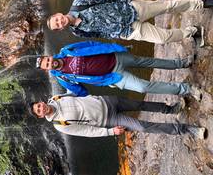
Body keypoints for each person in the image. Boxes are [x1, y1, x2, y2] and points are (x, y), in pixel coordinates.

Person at [36, 41, 202, 99]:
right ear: (47, 70)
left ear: (49, 56)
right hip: (113, 77)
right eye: (47, 65)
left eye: (48, 60)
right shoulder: (63, 78)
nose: (51, 63)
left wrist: (114, 47)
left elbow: (91, 44)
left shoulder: (67, 50)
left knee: (146, 62)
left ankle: (180, 63)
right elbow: (81, 91)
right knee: (143, 87)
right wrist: (72, 97)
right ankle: (185, 89)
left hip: (115, 57)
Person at [46, 0, 211, 46]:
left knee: (168, 6)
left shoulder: (78, 3)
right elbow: (99, 34)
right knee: (163, 39)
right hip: (129, 30)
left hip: (132, 9)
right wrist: (118, 35)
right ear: (60, 28)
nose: (60, 22)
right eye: (58, 25)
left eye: (57, 19)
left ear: (59, 14)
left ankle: (201, 4)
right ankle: (192, 32)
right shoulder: (77, 31)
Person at [30, 95, 206, 139]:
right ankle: (187, 130)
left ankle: (171, 109)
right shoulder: (60, 124)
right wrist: (110, 132)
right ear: (40, 116)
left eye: (39, 105)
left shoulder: (55, 98)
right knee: (142, 126)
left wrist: (95, 97)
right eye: (39, 111)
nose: (42, 108)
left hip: (108, 101)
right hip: (110, 120)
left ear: (40, 102)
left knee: (140, 104)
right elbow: (86, 132)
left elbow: (77, 96)